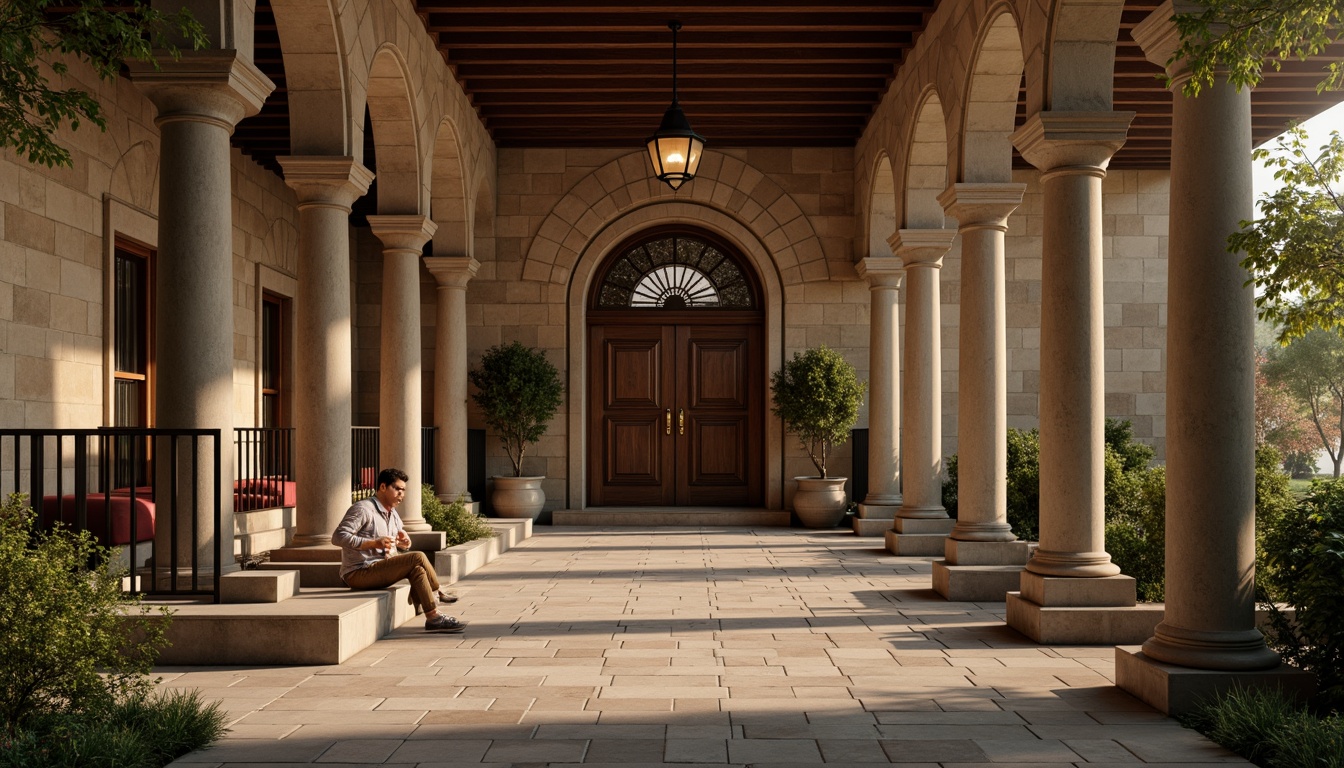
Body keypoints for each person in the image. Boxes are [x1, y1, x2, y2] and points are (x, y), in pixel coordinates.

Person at [331, 467, 467, 633]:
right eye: (398, 489)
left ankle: (433, 618)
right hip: (357, 573)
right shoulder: (363, 509)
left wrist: (403, 542)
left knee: (417, 569)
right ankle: (436, 590)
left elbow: (396, 541)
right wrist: (373, 543)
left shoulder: (392, 512)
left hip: (381, 567)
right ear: (382, 487)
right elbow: (338, 537)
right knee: (417, 557)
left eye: (404, 490)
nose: (402, 494)